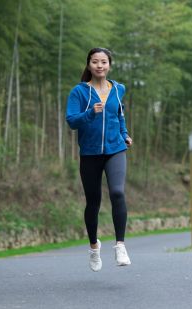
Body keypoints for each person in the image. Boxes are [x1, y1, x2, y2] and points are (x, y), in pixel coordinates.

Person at [66, 47, 133, 272]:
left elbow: (119, 115)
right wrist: (90, 113)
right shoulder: (79, 92)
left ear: (109, 65)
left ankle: (120, 246)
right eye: (95, 62)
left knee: (117, 192)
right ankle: (94, 247)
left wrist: (124, 135)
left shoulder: (118, 89)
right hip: (90, 153)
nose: (100, 66)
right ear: (89, 65)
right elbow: (71, 121)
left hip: (115, 149)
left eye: (104, 62)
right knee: (93, 202)